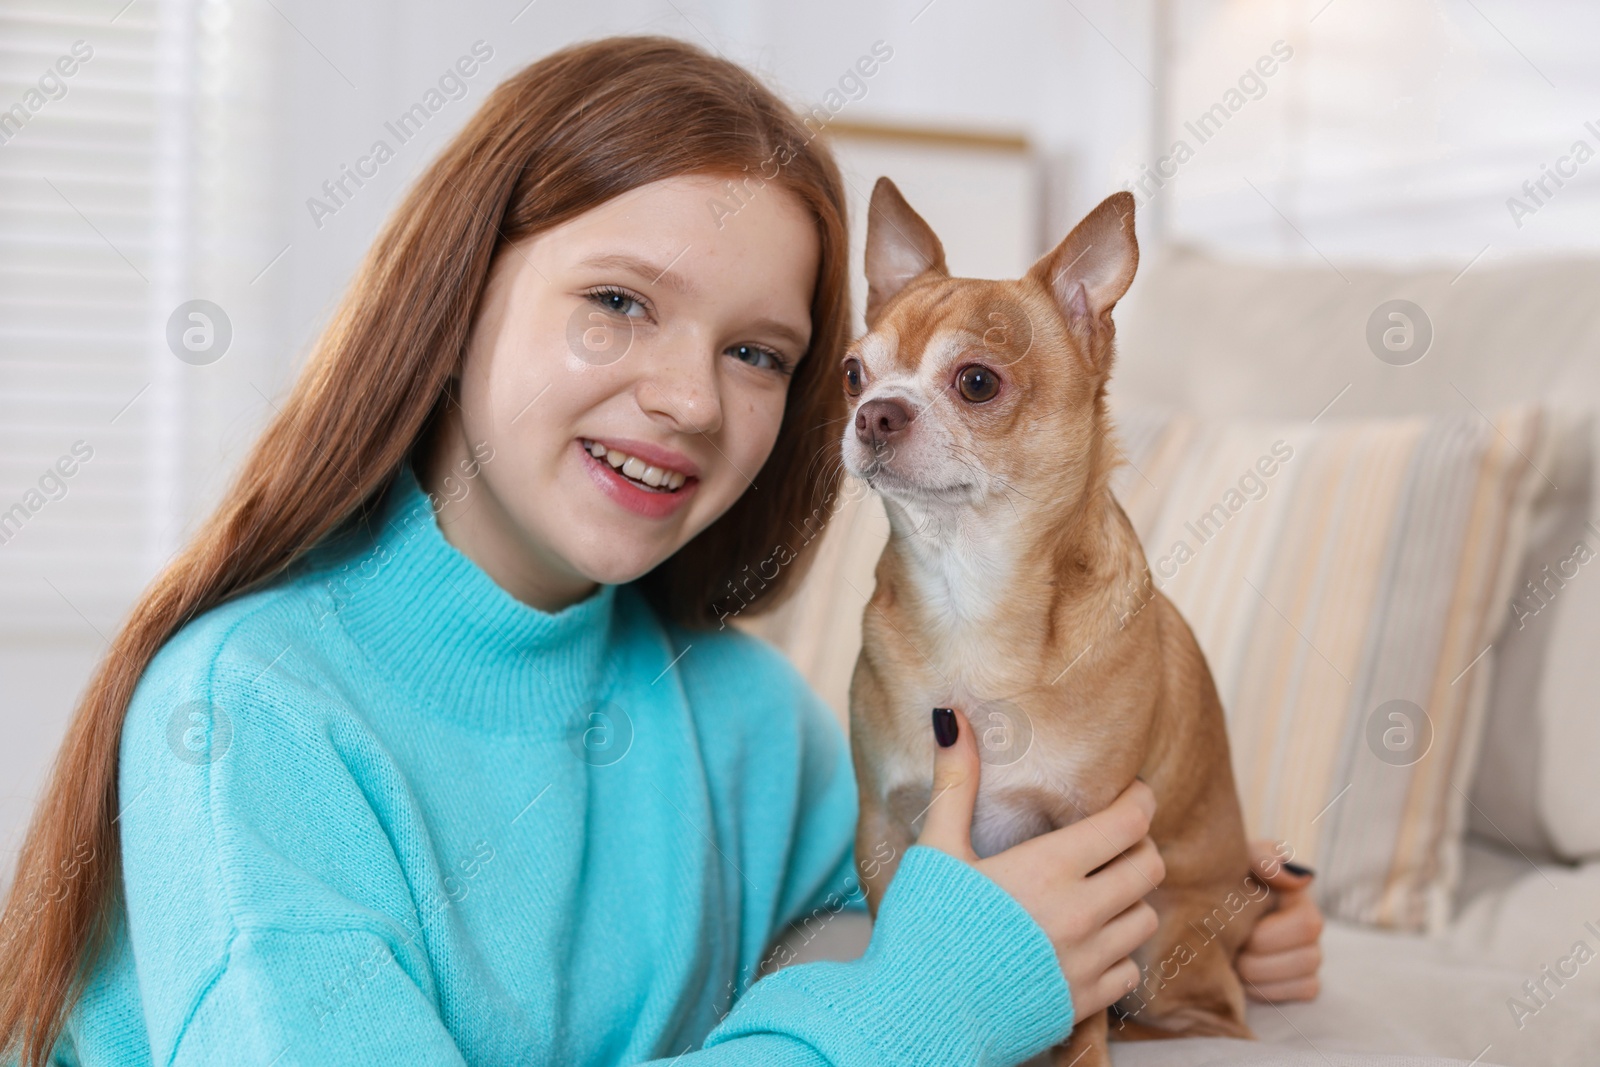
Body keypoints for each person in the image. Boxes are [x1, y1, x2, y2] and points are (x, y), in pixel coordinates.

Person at [0, 35, 1321, 1067]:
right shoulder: (247, 714)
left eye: (758, 353)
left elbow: (892, 938)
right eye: (619, 304)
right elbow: (916, 993)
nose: (691, 398)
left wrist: (1169, 933)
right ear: (456, 299)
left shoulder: (753, 719)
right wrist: (930, 1001)